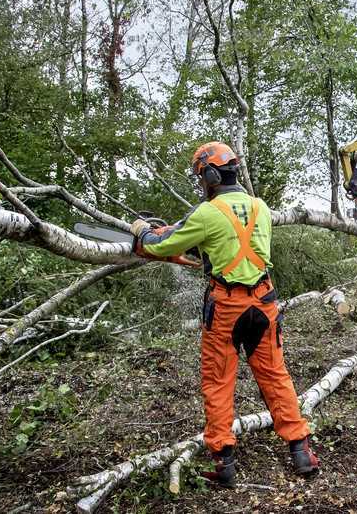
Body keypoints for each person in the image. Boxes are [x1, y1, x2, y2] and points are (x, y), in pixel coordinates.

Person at [129, 141, 318, 487]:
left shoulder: (207, 213)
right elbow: (234, 244)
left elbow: (160, 244)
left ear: (211, 176)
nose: (202, 183)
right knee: (275, 376)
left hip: (227, 308)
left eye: (202, 177)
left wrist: (142, 231)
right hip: (263, 302)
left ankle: (224, 462)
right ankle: (301, 451)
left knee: (218, 381)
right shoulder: (260, 207)